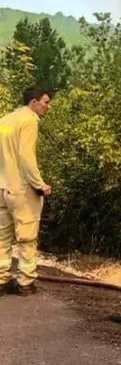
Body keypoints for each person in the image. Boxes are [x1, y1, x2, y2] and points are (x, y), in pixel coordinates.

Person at [0, 86, 53, 297]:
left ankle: (1, 280)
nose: (48, 106)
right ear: (33, 102)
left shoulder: (5, 121)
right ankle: (26, 282)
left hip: (2, 187)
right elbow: (26, 157)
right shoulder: (29, 121)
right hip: (21, 189)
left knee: (2, 238)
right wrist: (40, 184)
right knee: (27, 237)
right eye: (46, 102)